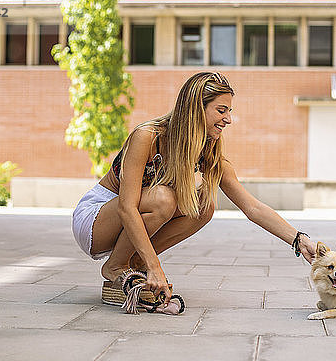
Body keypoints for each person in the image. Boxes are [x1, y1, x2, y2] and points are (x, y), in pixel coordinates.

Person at [71, 72, 317, 313]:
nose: (229, 119)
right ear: (196, 109)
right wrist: (155, 266)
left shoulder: (207, 152)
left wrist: (298, 240)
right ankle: (115, 267)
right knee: (164, 199)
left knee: (203, 205)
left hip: (130, 218)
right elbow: (126, 207)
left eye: (229, 111)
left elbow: (251, 207)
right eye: (221, 111)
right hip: (96, 219)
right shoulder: (147, 136)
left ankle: (134, 263)